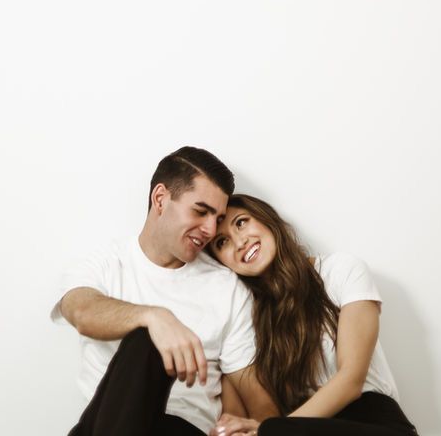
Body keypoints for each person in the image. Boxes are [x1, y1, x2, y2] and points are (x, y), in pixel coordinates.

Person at [51, 148, 277, 436]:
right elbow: (80, 311)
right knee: (146, 342)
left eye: (217, 218)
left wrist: (254, 428)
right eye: (200, 211)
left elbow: (260, 405)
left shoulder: (227, 288)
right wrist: (154, 318)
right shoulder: (105, 264)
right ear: (160, 199)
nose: (209, 229)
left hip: (182, 429)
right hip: (106, 422)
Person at [207, 195, 418, 436]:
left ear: (267, 219)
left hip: (373, 421)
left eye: (241, 222)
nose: (239, 241)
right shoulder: (247, 322)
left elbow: (351, 381)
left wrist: (270, 430)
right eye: (222, 242)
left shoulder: (341, 270)